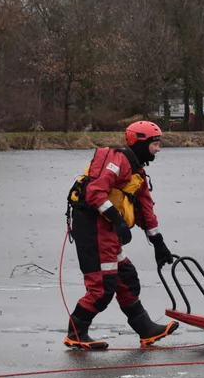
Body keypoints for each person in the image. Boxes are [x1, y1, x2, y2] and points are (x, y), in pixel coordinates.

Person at [63, 120, 178, 350]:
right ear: (140, 143)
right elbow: (95, 193)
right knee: (103, 287)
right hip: (93, 228)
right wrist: (118, 221)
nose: (158, 149)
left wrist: (158, 243)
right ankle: (76, 332)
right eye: (155, 144)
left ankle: (146, 329)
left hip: (108, 231)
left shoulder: (138, 173)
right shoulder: (117, 162)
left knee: (126, 278)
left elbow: (146, 209)